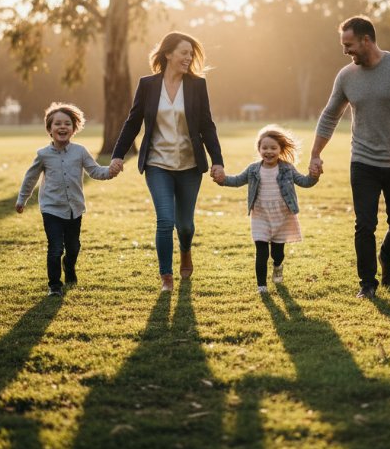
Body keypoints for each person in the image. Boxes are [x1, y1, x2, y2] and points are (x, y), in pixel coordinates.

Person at [309, 16, 390, 299]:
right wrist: (315, 154)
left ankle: (387, 256)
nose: (345, 51)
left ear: (366, 39)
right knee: (364, 224)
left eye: (349, 44)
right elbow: (330, 115)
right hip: (363, 161)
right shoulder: (346, 76)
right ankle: (367, 284)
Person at [109, 32, 224, 292]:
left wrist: (217, 161)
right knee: (164, 220)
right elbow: (133, 122)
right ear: (168, 54)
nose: (188, 57)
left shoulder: (196, 85)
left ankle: (185, 250)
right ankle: (166, 277)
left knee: (184, 225)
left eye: (191, 53)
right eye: (184, 52)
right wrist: (117, 155)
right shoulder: (148, 85)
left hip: (190, 165)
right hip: (157, 163)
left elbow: (207, 125)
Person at [16, 102, 115, 297]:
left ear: (74, 128)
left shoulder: (80, 152)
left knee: (73, 247)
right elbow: (31, 177)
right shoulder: (43, 155)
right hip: (51, 209)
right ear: (50, 129)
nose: (62, 127)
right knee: (55, 248)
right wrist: (22, 199)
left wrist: (109, 171)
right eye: (57, 124)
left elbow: (94, 171)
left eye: (67, 124)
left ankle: (69, 267)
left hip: (74, 209)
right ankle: (54, 285)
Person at [214, 125, 318, 294]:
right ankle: (261, 286)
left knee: (278, 254)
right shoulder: (253, 169)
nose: (269, 151)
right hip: (260, 216)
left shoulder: (287, 168)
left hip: (282, 216)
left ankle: (278, 266)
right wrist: (222, 180)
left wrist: (314, 175)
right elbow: (237, 181)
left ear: (280, 149)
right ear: (259, 149)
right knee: (261, 252)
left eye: (273, 148)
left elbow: (305, 182)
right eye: (265, 148)